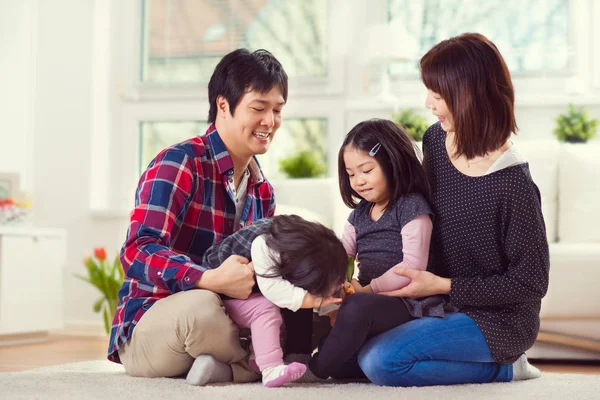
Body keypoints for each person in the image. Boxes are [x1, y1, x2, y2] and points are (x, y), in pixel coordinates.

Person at [107, 48, 313, 385]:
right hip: (158, 322)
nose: (270, 121)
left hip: (229, 316)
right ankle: (249, 366)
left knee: (309, 312)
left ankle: (223, 367)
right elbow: (136, 251)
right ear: (222, 106)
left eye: (277, 110)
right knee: (202, 308)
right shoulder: (179, 163)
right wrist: (208, 278)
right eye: (258, 108)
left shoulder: (263, 192)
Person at [355, 33, 550, 387]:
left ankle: (507, 367)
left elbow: (531, 283)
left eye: (438, 95)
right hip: (434, 302)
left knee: (381, 361)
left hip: (498, 319)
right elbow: (413, 213)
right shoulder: (435, 141)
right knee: (354, 341)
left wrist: (443, 285)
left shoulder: (512, 183)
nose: (428, 104)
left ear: (470, 95)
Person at [303, 119, 451, 381]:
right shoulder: (359, 214)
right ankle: (309, 360)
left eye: (366, 170)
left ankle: (313, 372)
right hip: (369, 300)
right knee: (337, 342)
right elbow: (341, 254)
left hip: (408, 301)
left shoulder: (412, 208)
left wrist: (367, 290)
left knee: (358, 307)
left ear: (393, 164)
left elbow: (412, 269)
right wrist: (339, 282)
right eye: (351, 174)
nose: (358, 181)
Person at [193, 215, 347, 387]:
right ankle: (269, 368)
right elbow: (272, 289)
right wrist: (313, 301)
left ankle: (260, 360)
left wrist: (333, 306)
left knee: (297, 304)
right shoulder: (265, 245)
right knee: (267, 309)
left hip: (251, 290)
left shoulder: (303, 246)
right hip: (221, 292)